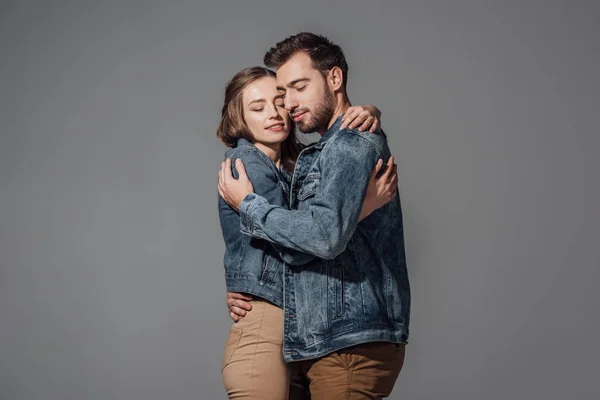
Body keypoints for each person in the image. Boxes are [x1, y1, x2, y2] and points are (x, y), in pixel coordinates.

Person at [219, 32, 411, 399]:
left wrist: (250, 206)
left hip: (349, 341)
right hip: (323, 341)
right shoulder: (309, 154)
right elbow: (305, 239)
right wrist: (244, 282)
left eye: (298, 88)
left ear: (334, 79)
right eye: (283, 93)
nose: (287, 105)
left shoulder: (348, 143)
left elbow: (320, 236)